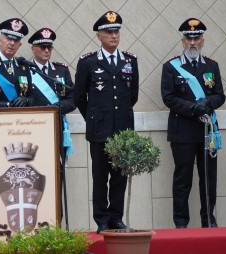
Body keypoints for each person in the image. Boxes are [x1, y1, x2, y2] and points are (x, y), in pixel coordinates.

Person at [73, 11, 139, 234]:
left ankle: (116, 217)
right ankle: (101, 218)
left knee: (120, 177)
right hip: (99, 130)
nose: (113, 36)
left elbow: (133, 96)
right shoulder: (88, 62)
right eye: (108, 32)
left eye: (116, 31)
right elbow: (79, 97)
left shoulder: (130, 61)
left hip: (122, 129)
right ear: (98, 35)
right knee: (100, 177)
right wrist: (93, 117)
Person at [161, 18, 226, 228]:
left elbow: (220, 96)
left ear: (202, 40)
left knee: (208, 179)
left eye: (196, 38)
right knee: (183, 180)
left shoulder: (212, 66)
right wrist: (192, 107)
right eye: (188, 38)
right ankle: (181, 223)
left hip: (207, 131)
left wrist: (208, 102)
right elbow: (168, 98)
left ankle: (208, 219)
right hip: (183, 131)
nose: (192, 42)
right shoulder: (171, 67)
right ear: (182, 40)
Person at [28, 27, 75, 153]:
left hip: (57, 125)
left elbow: (73, 98)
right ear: (33, 49)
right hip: (33, 126)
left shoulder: (61, 70)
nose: (47, 50)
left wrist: (58, 107)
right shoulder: (24, 71)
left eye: (49, 47)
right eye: (43, 47)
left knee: (58, 167)